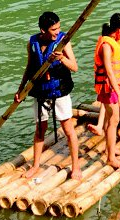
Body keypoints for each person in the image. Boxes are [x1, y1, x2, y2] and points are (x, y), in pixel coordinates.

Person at [14, 11, 81, 182]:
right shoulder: (33, 42)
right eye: (53, 29)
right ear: (43, 30)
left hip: (59, 91)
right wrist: (21, 90)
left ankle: (76, 167)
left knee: (67, 129)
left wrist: (62, 59)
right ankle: (36, 166)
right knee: (40, 129)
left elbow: (74, 67)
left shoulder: (63, 41)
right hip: (40, 91)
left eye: (58, 27)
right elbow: (29, 67)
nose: (57, 31)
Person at [91, 13, 120, 168]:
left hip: (116, 86)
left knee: (110, 120)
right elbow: (109, 71)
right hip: (108, 88)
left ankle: (111, 150)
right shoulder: (107, 46)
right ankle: (111, 158)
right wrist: (119, 95)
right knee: (113, 121)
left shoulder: (115, 41)